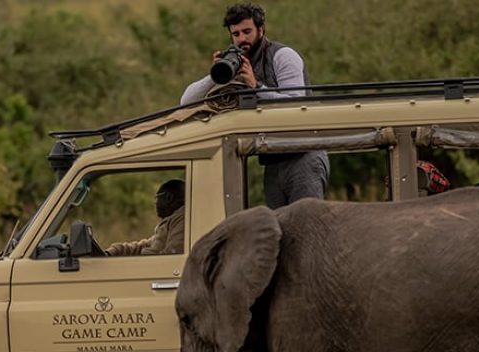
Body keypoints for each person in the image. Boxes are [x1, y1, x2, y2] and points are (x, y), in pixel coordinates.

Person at [180, 3, 329, 208]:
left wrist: (255, 85)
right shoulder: (236, 64)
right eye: (236, 34)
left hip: (303, 156)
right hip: (272, 161)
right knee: (281, 233)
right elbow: (186, 102)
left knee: (307, 228)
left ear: (261, 29)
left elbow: (297, 106)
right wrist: (216, 75)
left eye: (247, 31)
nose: (242, 39)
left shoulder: (283, 56)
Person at [105, 180, 185, 256]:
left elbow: (171, 256)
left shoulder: (182, 220)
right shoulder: (172, 221)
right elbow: (145, 245)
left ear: (169, 197)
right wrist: (115, 250)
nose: (155, 202)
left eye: (157, 198)